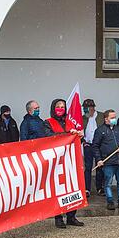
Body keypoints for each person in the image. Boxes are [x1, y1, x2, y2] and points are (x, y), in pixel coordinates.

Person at [43, 98, 86, 228]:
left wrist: (79, 136)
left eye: (63, 106)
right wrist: (68, 134)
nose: (61, 109)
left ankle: (71, 216)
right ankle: (58, 218)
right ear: (53, 108)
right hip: (57, 162)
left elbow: (76, 142)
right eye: (58, 106)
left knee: (72, 187)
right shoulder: (47, 123)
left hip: (71, 161)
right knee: (58, 189)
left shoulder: (70, 122)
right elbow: (49, 138)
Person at [93, 109, 119, 210]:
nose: (114, 119)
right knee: (108, 183)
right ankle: (110, 201)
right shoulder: (100, 130)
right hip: (108, 162)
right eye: (112, 118)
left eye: (115, 117)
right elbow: (95, 146)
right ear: (106, 119)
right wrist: (99, 159)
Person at [81, 98, 103, 196]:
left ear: (93, 108)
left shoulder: (102, 116)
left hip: (99, 145)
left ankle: (100, 188)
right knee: (88, 167)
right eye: (84, 109)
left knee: (100, 166)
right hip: (88, 145)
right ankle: (87, 189)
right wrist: (83, 141)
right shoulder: (82, 118)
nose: (85, 111)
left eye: (87, 108)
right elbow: (79, 132)